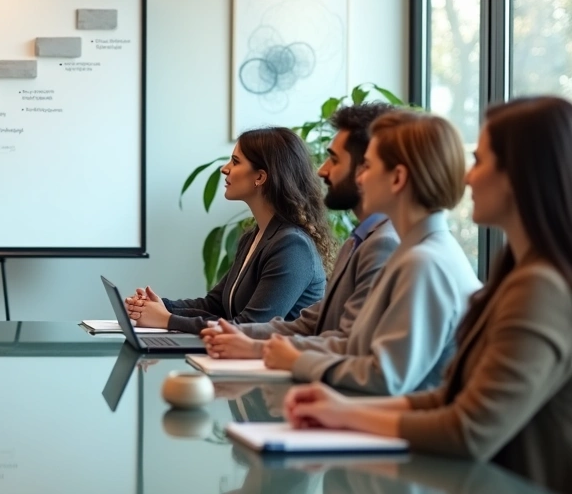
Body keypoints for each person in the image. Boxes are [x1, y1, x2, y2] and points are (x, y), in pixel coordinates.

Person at [284, 97, 572, 491]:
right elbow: (451, 398)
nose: (468, 179)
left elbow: (468, 429)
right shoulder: (516, 272)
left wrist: (347, 414)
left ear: (519, 176)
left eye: (481, 162)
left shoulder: (540, 287)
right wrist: (341, 409)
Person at [258, 111, 480, 394]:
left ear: (397, 178)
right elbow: (356, 346)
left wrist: (298, 360)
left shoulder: (423, 261)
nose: (360, 179)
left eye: (367, 166)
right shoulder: (416, 251)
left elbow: (386, 376)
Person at [202, 103, 400, 358]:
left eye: (335, 159)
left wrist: (256, 347)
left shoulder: (384, 245)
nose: (321, 170)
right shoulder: (356, 242)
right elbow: (312, 323)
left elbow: (352, 348)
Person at [125, 127, 333, 334]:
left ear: (260, 177)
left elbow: (251, 326)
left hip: (276, 365)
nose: (224, 169)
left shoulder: (292, 246)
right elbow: (215, 305)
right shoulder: (254, 237)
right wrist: (161, 306)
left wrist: (168, 320)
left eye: (235, 161)